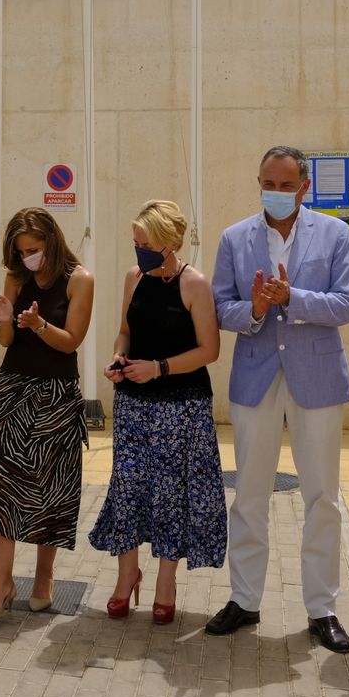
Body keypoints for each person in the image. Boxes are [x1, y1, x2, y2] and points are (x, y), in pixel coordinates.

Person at [206, 147, 349, 652]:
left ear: (304, 186)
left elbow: (347, 303)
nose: (275, 190)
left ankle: (322, 607)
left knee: (321, 497)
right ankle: (244, 599)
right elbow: (219, 306)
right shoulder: (235, 237)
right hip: (256, 378)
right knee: (250, 493)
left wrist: (292, 298)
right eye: (267, 181)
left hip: (315, 378)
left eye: (285, 182)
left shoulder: (334, 234)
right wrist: (251, 307)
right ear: (258, 181)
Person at [89, 199, 223, 625]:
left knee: (171, 495)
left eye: (145, 244)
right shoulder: (134, 278)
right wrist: (117, 359)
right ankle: (127, 575)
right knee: (127, 488)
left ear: (171, 243)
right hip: (133, 405)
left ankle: (167, 582)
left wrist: (159, 368)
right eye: (135, 243)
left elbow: (210, 350)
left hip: (181, 407)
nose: (138, 251)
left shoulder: (195, 284)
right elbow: (125, 332)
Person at [0, 208, 94, 626]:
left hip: (57, 393)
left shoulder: (80, 279)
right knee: (1, 485)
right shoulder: (16, 277)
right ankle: (2, 583)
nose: (28, 257)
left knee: (52, 489)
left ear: (53, 242)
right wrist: (6, 321)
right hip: (13, 389)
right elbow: (5, 340)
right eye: (21, 250)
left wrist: (40, 324)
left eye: (35, 249)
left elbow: (71, 341)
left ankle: (43, 580)